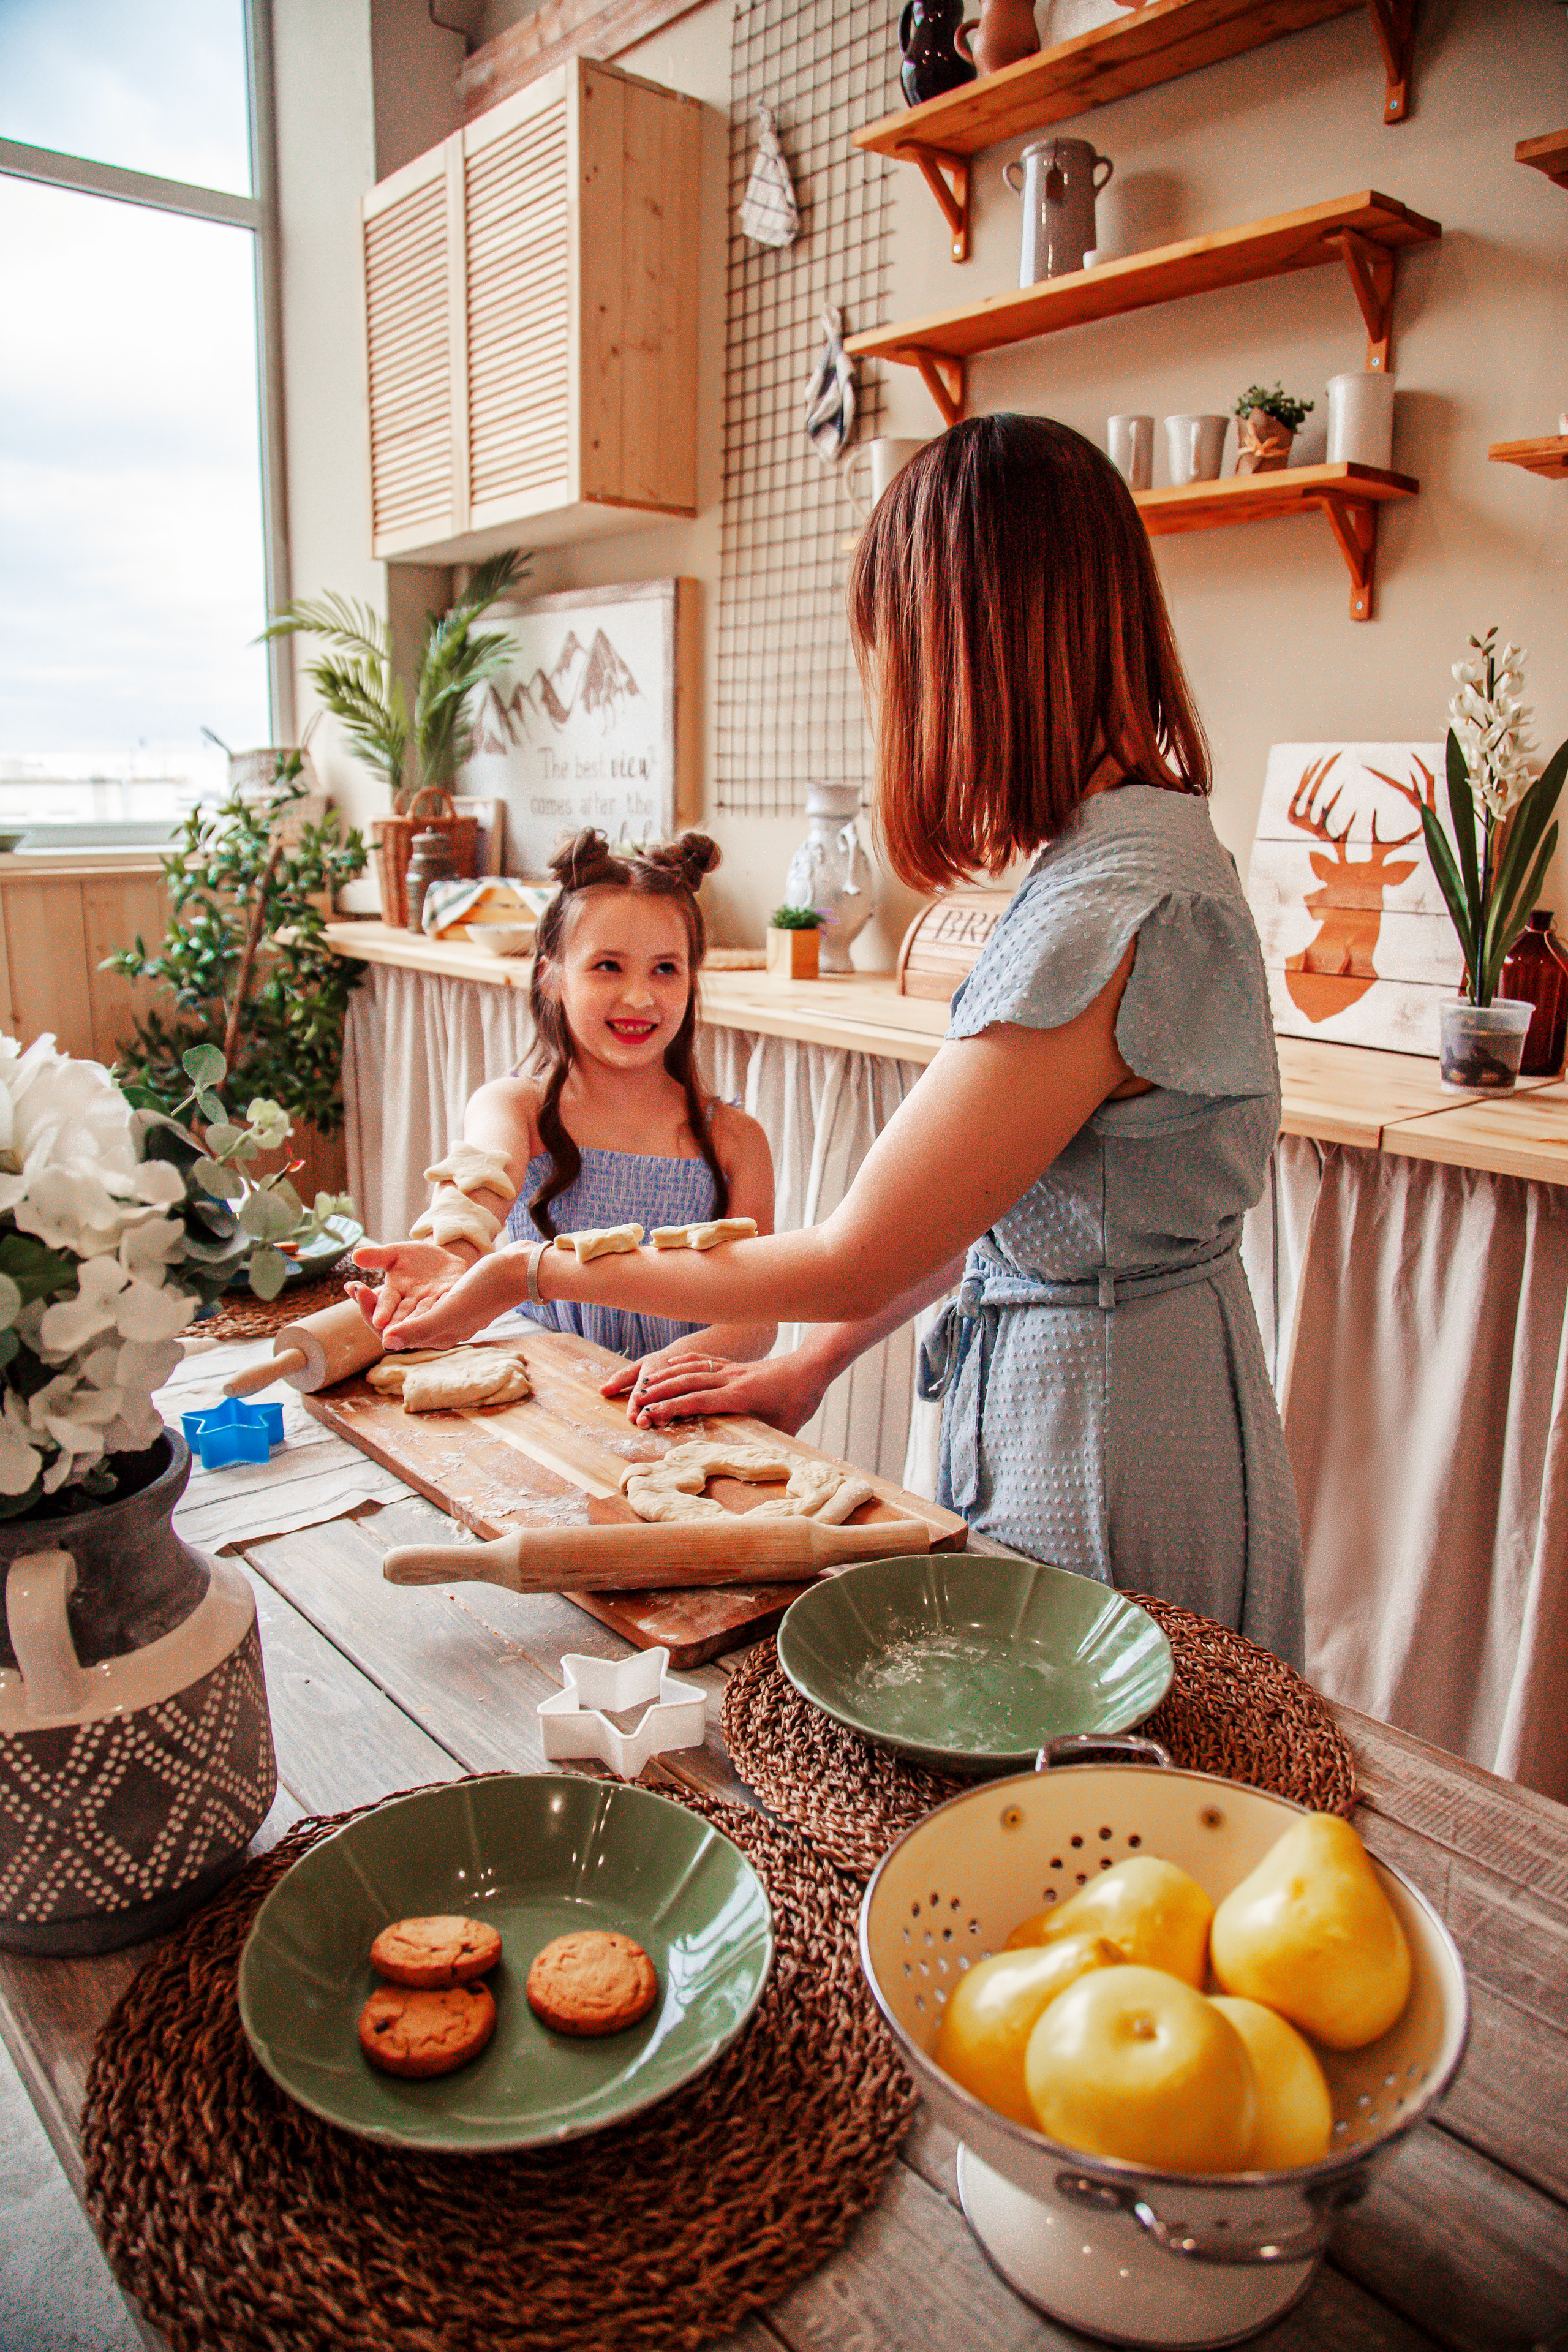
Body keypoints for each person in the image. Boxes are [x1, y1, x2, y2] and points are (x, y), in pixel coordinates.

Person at [370, 415, 1305, 1668]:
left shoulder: (1109, 908)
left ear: (969, 648)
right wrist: (809, 1368)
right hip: (1111, 1396)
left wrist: (530, 1274)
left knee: (1100, 1795)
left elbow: (856, 1253)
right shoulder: (1135, 856)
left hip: (1108, 1444)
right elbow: (998, 1205)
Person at [349, 829, 776, 1379]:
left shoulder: (737, 1138)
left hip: (676, 1395)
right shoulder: (514, 1108)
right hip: (545, 1388)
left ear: (691, 981)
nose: (640, 997)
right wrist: (450, 1255)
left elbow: (758, 1318)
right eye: (608, 966)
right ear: (553, 978)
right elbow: (476, 1189)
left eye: (665, 969)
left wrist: (649, 1375)